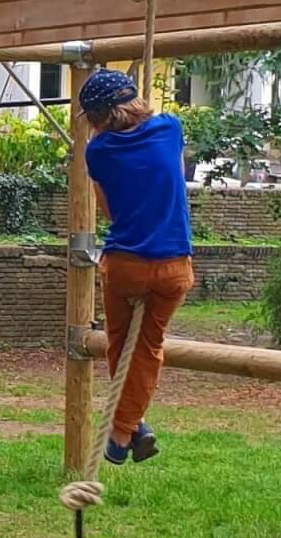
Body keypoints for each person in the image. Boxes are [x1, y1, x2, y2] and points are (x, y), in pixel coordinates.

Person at [79, 68, 195, 465]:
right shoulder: (170, 127)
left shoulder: (97, 152)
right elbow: (176, 178)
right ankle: (131, 425)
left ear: (99, 117)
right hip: (174, 265)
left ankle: (122, 430)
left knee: (120, 341)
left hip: (126, 264)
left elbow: (109, 208)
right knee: (147, 345)